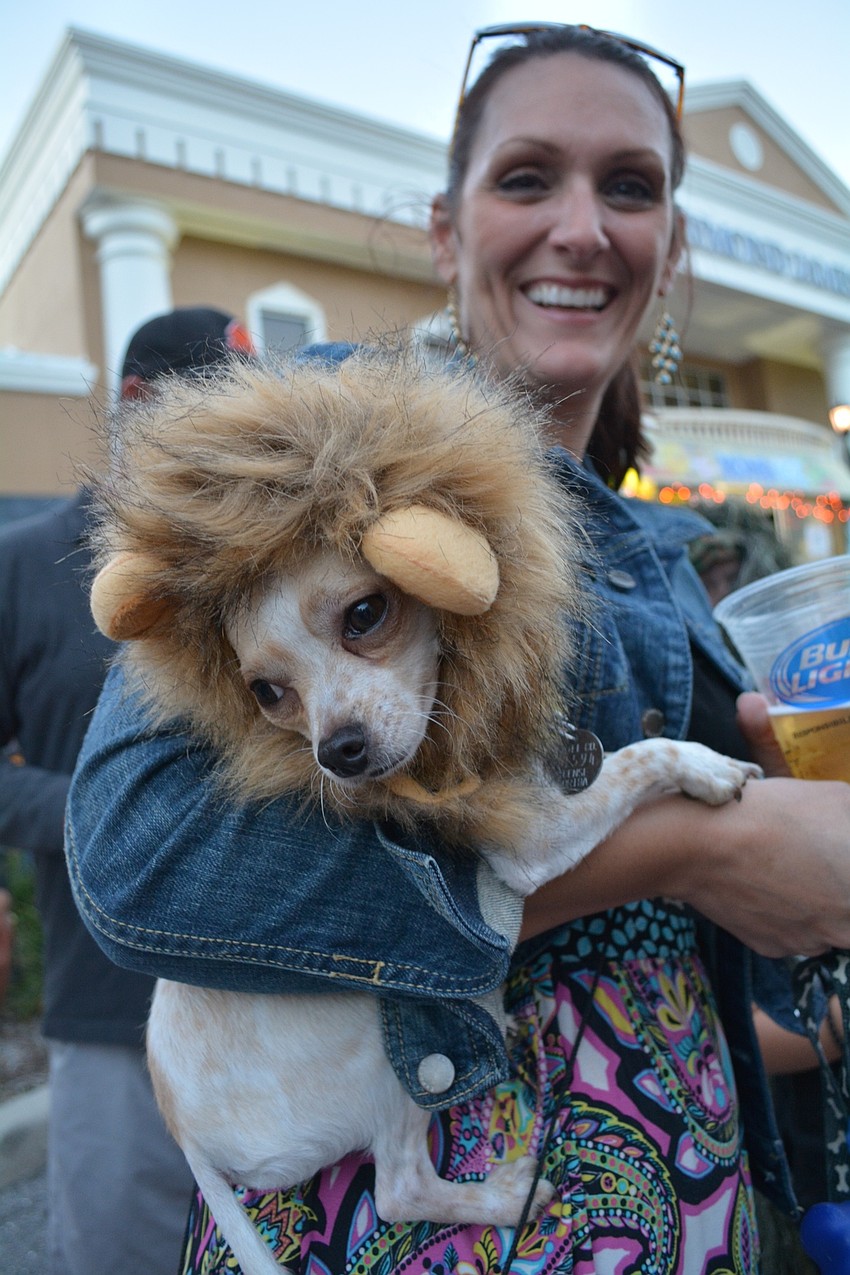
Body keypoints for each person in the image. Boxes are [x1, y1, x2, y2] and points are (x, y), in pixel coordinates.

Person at [64, 25, 850, 1274]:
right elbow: (138, 863)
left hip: (692, 1199)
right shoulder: (308, 471)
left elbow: (719, 934)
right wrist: (706, 841)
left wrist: (790, 833)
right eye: (528, 177)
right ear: (446, 228)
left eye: (630, 186)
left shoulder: (673, 554)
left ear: (672, 243)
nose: (583, 227)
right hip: (412, 1222)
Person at [0, 305, 253, 1275]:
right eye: (221, 416)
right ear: (140, 405)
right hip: (109, 1021)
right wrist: (96, 813)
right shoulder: (23, 566)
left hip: (273, 1003)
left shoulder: (245, 563)